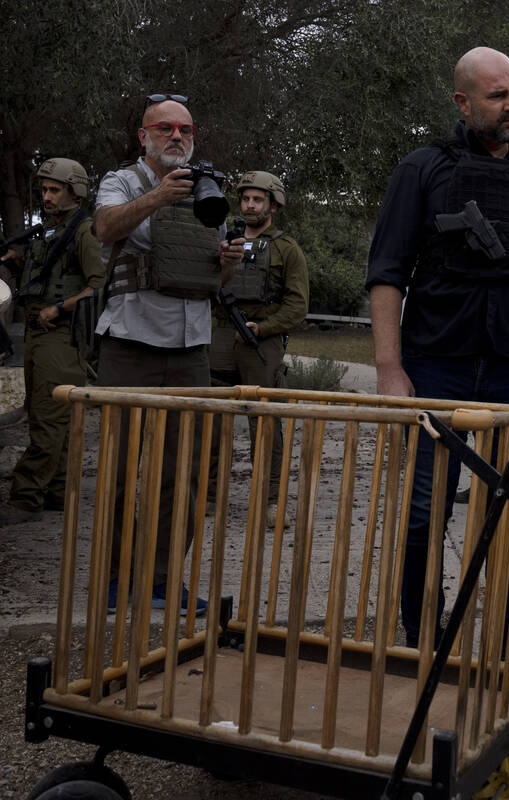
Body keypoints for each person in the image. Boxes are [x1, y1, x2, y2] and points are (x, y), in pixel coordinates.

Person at [366, 47, 509, 647]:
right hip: (437, 364)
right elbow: (387, 272)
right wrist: (389, 367)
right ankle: (422, 639)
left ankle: (505, 643)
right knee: (422, 515)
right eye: (498, 96)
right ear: (464, 102)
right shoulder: (422, 169)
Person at [93, 93, 244, 613]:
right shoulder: (121, 182)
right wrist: (159, 196)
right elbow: (105, 229)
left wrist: (228, 261)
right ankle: (114, 579)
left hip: (190, 349)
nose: (176, 136)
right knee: (118, 469)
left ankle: (159, 579)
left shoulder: (210, 194)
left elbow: (212, 282)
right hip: (129, 344)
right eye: (164, 129)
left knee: (185, 473)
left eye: (184, 129)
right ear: (144, 136)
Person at [0, 159, 104, 524]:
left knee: (49, 418)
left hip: (61, 336)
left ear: (74, 192)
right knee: (47, 415)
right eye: (44, 190)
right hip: (38, 335)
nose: (46, 196)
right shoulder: (48, 232)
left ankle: (26, 497)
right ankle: (56, 491)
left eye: (54, 190)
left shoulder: (83, 232)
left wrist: (59, 308)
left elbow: (97, 285)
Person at [209, 171, 309, 525]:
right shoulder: (223, 241)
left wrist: (263, 327)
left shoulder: (286, 249)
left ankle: (269, 501)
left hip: (260, 342)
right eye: (246, 199)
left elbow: (298, 306)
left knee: (264, 422)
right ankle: (207, 496)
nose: (250, 205)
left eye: (257, 200)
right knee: (210, 419)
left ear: (273, 205)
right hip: (220, 336)